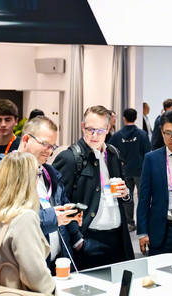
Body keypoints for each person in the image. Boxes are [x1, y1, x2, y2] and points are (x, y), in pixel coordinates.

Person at [0, 116, 83, 271]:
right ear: (26, 139)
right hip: (22, 269)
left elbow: (62, 204)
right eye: (45, 144)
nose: (50, 152)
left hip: (58, 264)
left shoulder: (50, 173)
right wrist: (53, 218)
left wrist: (71, 219)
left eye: (53, 146)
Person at [53, 105, 134, 269]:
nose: (95, 136)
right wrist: (77, 240)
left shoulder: (114, 154)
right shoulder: (70, 158)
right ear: (83, 127)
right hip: (88, 239)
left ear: (108, 129)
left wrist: (126, 193)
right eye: (90, 130)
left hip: (118, 237)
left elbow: (126, 193)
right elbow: (59, 202)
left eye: (100, 131)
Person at [0, 152, 55, 295]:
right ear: (29, 180)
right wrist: (53, 289)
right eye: (37, 174)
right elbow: (35, 275)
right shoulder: (24, 218)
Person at [137, 109, 172, 255]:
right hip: (159, 229)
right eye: (168, 133)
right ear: (162, 133)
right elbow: (144, 198)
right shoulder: (151, 159)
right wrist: (142, 232)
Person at [109, 108, 152, 232]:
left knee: (127, 197)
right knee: (143, 198)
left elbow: (110, 150)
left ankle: (130, 223)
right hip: (140, 170)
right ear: (136, 117)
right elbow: (148, 152)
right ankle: (143, 223)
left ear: (124, 118)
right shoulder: (142, 134)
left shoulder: (117, 136)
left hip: (124, 170)